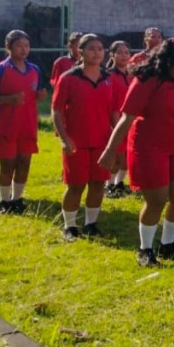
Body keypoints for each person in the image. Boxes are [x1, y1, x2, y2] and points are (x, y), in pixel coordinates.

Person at [98, 39, 174, 266]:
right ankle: (145, 249)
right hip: (150, 146)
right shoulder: (148, 79)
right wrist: (110, 150)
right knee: (156, 200)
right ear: (169, 62)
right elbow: (127, 118)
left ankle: (167, 245)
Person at [52, 34, 118, 241]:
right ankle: (70, 226)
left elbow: (114, 112)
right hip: (76, 142)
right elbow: (56, 111)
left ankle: (91, 223)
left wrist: (117, 138)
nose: (97, 52)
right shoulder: (69, 78)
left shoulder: (108, 78)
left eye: (100, 49)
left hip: (101, 141)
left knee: (98, 183)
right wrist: (64, 138)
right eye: (91, 49)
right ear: (80, 52)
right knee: (76, 185)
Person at [0, 30, 48, 214]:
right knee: (7, 165)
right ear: (8, 47)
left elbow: (36, 92)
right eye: (19, 45)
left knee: (24, 163)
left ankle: (17, 198)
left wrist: (40, 95)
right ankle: (4, 201)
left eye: (26, 45)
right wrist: (9, 99)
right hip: (4, 126)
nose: (24, 49)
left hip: (27, 126)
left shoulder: (34, 69)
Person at [104, 41, 132, 197]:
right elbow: (112, 104)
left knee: (128, 156)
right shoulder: (109, 75)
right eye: (120, 53)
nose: (124, 56)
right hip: (115, 120)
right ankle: (108, 185)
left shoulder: (132, 75)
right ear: (112, 55)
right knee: (117, 157)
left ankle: (119, 183)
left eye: (127, 52)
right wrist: (116, 125)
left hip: (130, 121)